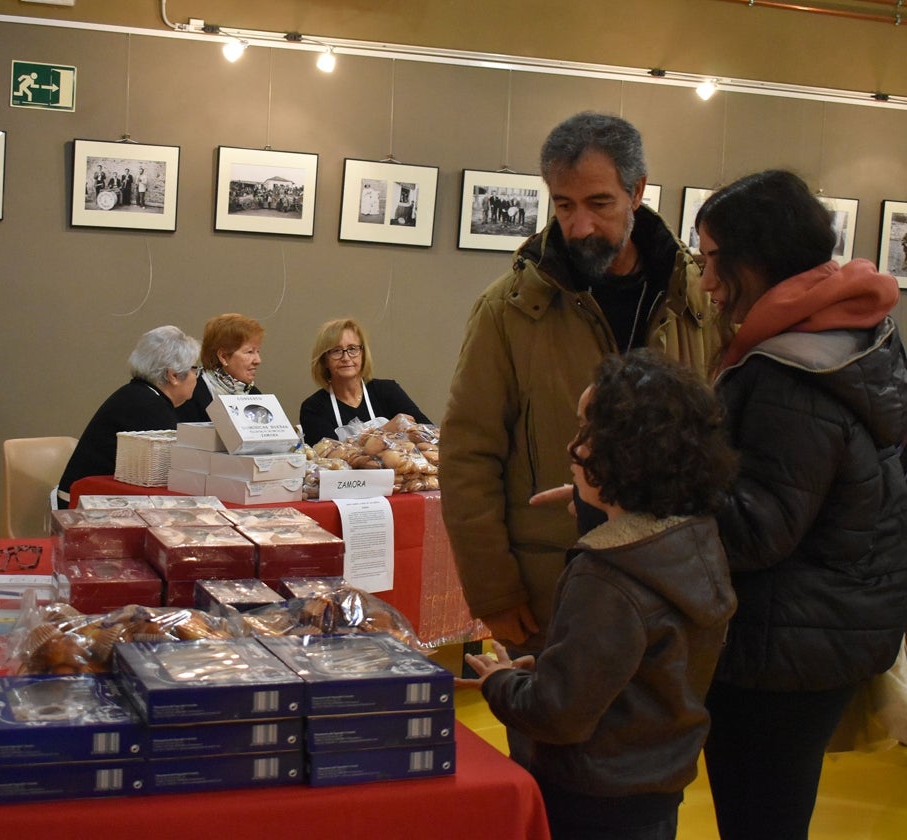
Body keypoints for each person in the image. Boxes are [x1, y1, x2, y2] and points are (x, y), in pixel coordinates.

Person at [441, 111, 716, 656]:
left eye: (599, 204)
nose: (580, 226)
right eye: (564, 205)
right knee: (552, 737)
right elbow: (469, 454)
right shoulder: (509, 309)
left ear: (636, 191)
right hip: (555, 585)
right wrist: (493, 588)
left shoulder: (700, 297)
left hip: (677, 582)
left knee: (661, 739)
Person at [693, 169, 907, 840]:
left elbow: (758, 529)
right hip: (827, 630)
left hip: (779, 649)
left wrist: (654, 482)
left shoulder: (788, 371)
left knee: (759, 817)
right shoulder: (853, 336)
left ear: (754, 258)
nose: (704, 282)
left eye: (711, 260)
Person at [459, 349, 737, 840]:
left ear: (623, 452)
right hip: (655, 786)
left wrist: (501, 682)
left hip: (592, 798)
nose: (571, 448)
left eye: (585, 431)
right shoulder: (692, 540)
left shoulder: (607, 577)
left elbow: (560, 713)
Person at [57, 325, 201, 504]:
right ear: (173, 376)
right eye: (195, 369)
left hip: (96, 498)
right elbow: (180, 468)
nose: (197, 376)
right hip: (84, 505)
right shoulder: (148, 406)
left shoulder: (137, 394)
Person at [299, 317, 431, 445]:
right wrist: (383, 432)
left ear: (363, 354)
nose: (346, 357)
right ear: (324, 360)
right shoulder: (314, 408)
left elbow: (430, 433)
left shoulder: (387, 391)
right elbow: (327, 455)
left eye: (352, 349)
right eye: (336, 351)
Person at [175, 313, 264, 423]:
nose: (258, 360)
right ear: (223, 356)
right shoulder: (192, 392)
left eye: (258, 351)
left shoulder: (254, 395)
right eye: (250, 352)